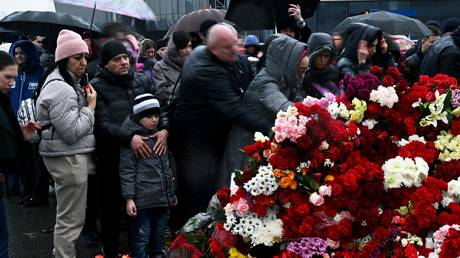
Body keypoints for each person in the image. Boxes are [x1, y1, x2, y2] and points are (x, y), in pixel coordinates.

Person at [170, 23, 271, 230]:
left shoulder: (220, 57)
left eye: (236, 43)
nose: (236, 49)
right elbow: (232, 107)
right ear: (213, 48)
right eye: (228, 47)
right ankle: (188, 241)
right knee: (198, 196)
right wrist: (271, 126)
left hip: (212, 138)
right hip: (197, 144)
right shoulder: (205, 68)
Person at [90, 39, 169, 258]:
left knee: (142, 211)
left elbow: (160, 107)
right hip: (112, 156)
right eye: (117, 59)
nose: (124, 62)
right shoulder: (96, 86)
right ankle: (111, 251)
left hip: (145, 157)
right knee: (112, 210)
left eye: (125, 57)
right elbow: (101, 123)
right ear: (106, 63)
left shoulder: (142, 80)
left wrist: (164, 129)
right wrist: (130, 137)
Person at [35, 29, 97, 258]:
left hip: (66, 156)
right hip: (68, 157)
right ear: (63, 60)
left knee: (68, 217)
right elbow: (71, 132)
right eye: (77, 58)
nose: (83, 63)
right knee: (71, 220)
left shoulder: (63, 82)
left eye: (85, 57)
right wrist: (90, 107)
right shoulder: (61, 88)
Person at [222, 35, 308, 186]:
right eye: (300, 70)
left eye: (305, 70)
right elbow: (287, 109)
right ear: (288, 65)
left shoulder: (285, 81)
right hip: (244, 150)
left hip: (258, 148)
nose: (302, 74)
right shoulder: (265, 83)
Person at [119, 94, 176, 258]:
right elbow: (127, 171)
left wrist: (171, 192)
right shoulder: (132, 141)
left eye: (157, 116)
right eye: (149, 116)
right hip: (142, 202)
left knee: (158, 238)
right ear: (138, 118)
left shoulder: (160, 136)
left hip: (162, 199)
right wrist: (129, 198)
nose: (154, 120)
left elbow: (168, 167)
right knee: (141, 239)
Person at [0, 50, 40, 258]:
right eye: (8, 77)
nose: (12, 83)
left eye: (14, 78)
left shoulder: (4, 101)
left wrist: (22, 134)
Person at [8, 40, 47, 207]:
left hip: (34, 125)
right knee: (23, 161)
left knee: (37, 161)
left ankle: (38, 195)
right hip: (17, 126)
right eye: (16, 53)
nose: (19, 56)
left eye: (22, 53)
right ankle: (26, 192)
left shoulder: (40, 72)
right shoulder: (14, 73)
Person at [153, 31, 192, 106]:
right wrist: (185, 83)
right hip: (177, 110)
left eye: (190, 46)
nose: (188, 50)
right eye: (184, 47)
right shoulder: (160, 67)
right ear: (175, 49)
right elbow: (163, 93)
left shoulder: (194, 62)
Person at [303, 32, 341, 98]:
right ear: (312, 56)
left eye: (326, 56)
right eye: (319, 55)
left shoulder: (336, 72)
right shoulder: (304, 74)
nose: (322, 60)